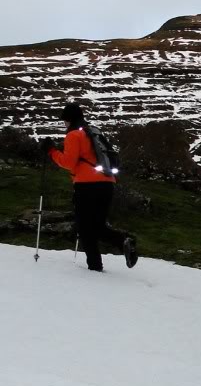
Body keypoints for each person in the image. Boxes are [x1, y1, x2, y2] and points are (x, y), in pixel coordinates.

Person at [40, 102, 137, 272]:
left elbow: (68, 163)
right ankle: (122, 241)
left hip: (86, 186)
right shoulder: (92, 132)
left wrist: (52, 151)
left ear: (69, 119)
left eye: (64, 120)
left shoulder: (73, 135)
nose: (64, 123)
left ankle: (95, 269)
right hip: (107, 183)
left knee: (85, 228)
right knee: (97, 225)